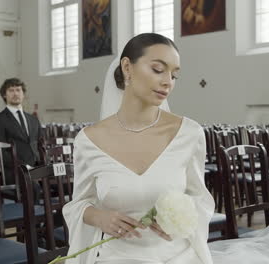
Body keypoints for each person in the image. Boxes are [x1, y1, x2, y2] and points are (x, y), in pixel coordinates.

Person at [63, 33, 215, 264]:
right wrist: (98, 217)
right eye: (157, 69)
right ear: (127, 67)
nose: (168, 82)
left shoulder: (189, 134)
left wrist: (179, 220)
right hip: (115, 257)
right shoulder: (89, 140)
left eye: (174, 75)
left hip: (177, 256)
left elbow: (200, 199)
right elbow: (78, 204)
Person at [0, 78, 42, 184]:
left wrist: (45, 165)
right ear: (4, 95)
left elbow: (41, 144)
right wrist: (24, 167)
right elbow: (0, 151)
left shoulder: (33, 119)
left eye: (18, 90)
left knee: (66, 182)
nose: (15, 94)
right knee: (33, 186)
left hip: (38, 167)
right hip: (14, 171)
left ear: (23, 94)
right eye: (11, 90)